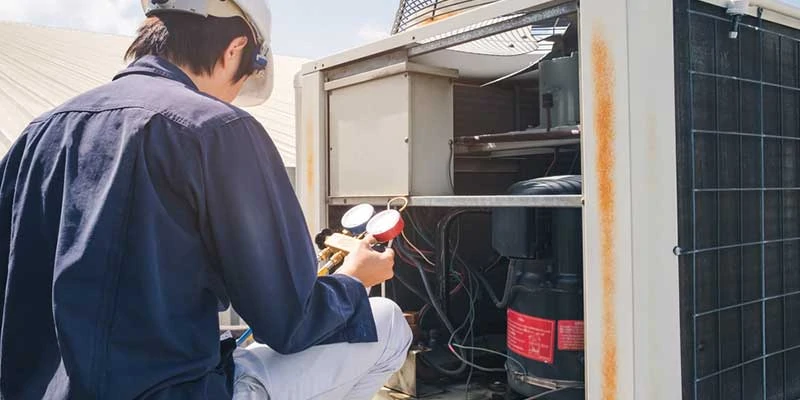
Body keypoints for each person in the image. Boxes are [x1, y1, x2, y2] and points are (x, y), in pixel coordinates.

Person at [0, 0, 412, 399]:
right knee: (387, 322)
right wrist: (355, 279)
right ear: (235, 51)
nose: (232, 95)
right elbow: (289, 321)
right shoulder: (218, 129)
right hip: (175, 391)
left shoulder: (37, 134)